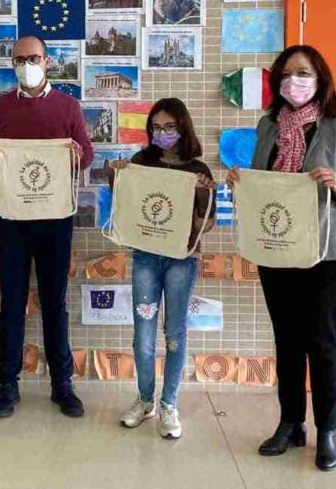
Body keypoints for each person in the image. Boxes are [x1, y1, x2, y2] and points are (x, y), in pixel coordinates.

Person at [226, 45, 336, 471]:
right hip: (278, 246)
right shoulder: (268, 125)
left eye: (303, 73)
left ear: (321, 78)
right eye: (287, 74)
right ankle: (291, 424)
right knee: (288, 340)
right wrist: (244, 181)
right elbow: (265, 184)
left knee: (322, 340)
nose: (295, 80)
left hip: (330, 251)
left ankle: (327, 431)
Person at [0, 35, 94, 419]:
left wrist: (77, 154)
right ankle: (8, 385)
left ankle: (63, 385)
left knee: (55, 302)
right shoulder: (0, 106)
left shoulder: (68, 105)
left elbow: (87, 155)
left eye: (34, 57)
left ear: (48, 61)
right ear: (13, 63)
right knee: (12, 302)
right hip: (11, 220)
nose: (28, 64)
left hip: (55, 219)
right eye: (21, 59)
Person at [110, 98, 215, 440]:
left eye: (170, 126)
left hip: (182, 259)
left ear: (183, 127)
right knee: (143, 334)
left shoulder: (198, 170)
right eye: (156, 127)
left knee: (174, 333)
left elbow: (207, 225)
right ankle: (144, 399)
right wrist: (115, 177)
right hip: (145, 256)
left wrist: (202, 196)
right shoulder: (141, 161)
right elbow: (126, 205)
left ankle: (169, 403)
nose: (163, 132)